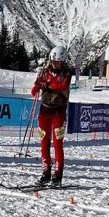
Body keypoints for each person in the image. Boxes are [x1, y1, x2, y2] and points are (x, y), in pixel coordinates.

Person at [30, 46, 72, 187]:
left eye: (57, 62)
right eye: (53, 61)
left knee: (57, 144)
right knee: (44, 143)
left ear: (62, 62)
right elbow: (34, 88)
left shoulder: (66, 73)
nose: (54, 64)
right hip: (44, 111)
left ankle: (58, 175)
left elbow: (60, 86)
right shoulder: (44, 71)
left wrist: (45, 84)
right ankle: (45, 173)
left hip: (59, 112)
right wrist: (37, 87)